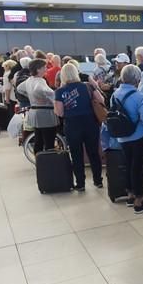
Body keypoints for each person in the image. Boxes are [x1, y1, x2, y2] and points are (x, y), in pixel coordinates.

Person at [53, 63, 103, 191]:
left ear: (62, 75)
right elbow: (101, 100)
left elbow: (59, 112)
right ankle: (98, 181)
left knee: (76, 154)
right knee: (93, 153)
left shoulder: (60, 91)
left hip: (72, 125)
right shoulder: (87, 86)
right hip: (90, 123)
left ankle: (80, 183)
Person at [112, 65, 143, 214]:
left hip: (122, 137)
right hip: (138, 136)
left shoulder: (115, 94)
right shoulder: (140, 96)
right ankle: (139, 200)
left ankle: (130, 195)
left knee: (129, 164)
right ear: (137, 79)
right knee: (138, 167)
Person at [16, 59, 60, 153]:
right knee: (49, 141)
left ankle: (40, 163)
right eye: (44, 67)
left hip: (35, 112)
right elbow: (40, 90)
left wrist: (30, 95)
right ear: (38, 69)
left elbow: (19, 88)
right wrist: (50, 98)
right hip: (45, 113)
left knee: (38, 140)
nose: (46, 69)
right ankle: (50, 163)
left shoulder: (29, 80)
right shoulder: (40, 81)